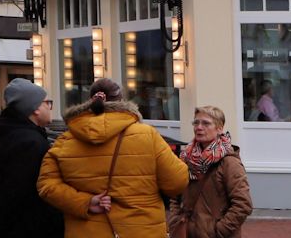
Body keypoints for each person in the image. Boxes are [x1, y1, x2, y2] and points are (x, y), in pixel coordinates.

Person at [38, 76, 189, 238]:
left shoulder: (65, 140)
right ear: (122, 101)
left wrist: (84, 202)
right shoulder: (147, 135)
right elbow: (177, 182)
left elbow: (46, 185)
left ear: (90, 101)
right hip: (142, 230)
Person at [0, 78, 63, 238]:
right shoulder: (30, 142)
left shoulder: (6, 135)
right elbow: (17, 191)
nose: (50, 107)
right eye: (47, 102)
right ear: (36, 108)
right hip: (28, 228)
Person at [167, 105, 252, 238]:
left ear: (219, 129)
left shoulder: (229, 162)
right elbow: (175, 195)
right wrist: (175, 221)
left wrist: (218, 231)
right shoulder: (186, 158)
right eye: (196, 122)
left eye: (206, 123)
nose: (199, 127)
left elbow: (243, 204)